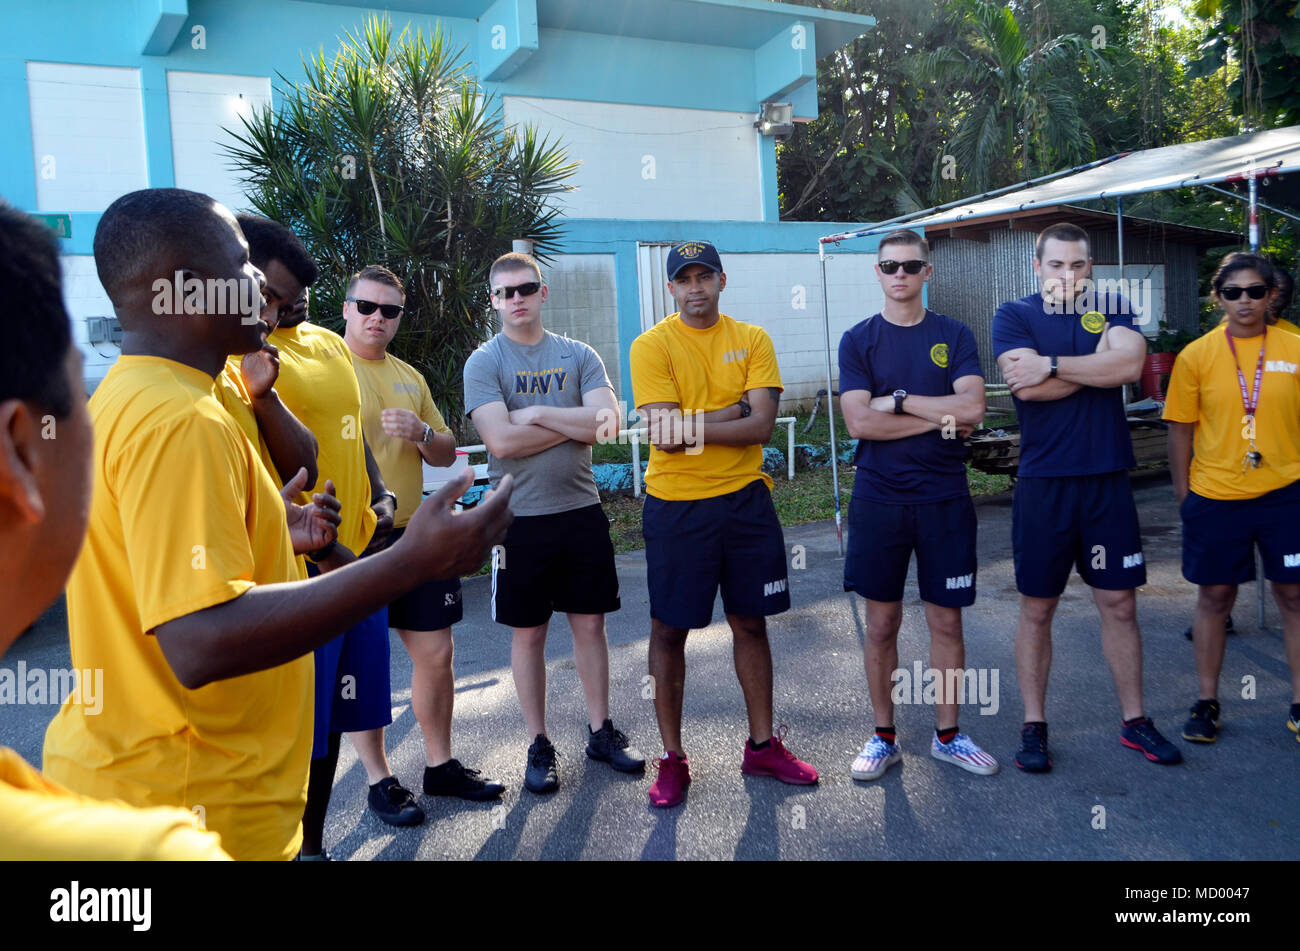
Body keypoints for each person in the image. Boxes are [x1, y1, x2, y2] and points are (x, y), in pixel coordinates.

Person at [40, 189, 513, 860]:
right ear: (184, 289)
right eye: (241, 263)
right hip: (189, 810)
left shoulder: (143, 394)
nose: (265, 283)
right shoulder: (183, 421)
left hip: (173, 795)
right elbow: (199, 639)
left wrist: (272, 532)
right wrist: (412, 560)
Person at [0, 200, 230, 859]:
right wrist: (405, 561)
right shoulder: (144, 856)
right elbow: (197, 637)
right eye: (81, 390)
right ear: (21, 443)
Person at [237, 215, 418, 854]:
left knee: (338, 715)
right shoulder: (237, 358)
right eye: (275, 294)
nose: (287, 306)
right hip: (297, 562)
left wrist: (380, 493)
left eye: (292, 296)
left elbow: (353, 430)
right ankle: (294, 845)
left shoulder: (328, 343)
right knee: (299, 722)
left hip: (354, 551)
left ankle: (314, 842)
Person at [630, 240, 817, 809]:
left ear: (721, 280)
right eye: (683, 279)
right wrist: (730, 411)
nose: (694, 288)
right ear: (671, 288)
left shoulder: (752, 339)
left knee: (751, 624)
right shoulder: (651, 346)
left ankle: (762, 746)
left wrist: (705, 421)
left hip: (744, 503)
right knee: (668, 631)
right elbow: (662, 434)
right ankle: (672, 759)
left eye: (704, 276)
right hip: (677, 505)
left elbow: (762, 427)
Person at [992, 221, 1182, 771]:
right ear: (1038, 266)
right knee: (1037, 608)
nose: (1067, 275)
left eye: (1078, 265)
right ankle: (1034, 727)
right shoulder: (1015, 316)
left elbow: (1128, 365)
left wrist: (1052, 364)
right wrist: (1096, 368)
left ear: (1090, 267)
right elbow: (1024, 387)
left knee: (1120, 603)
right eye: (1056, 265)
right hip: (1044, 484)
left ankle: (1135, 722)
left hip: (1105, 479)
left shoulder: (1112, 304)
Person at [464, 251, 644, 794]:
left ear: (543, 292)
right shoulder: (485, 362)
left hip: (580, 512)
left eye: (526, 288)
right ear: (494, 301)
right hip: (518, 521)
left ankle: (600, 731)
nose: (516, 299)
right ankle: (538, 743)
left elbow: (609, 423)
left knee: (590, 625)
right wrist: (577, 425)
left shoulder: (578, 354)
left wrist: (538, 413)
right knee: (530, 633)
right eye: (505, 292)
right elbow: (500, 441)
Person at [838, 229, 998, 781]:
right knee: (881, 623)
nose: (900, 274)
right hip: (879, 499)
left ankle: (949, 735)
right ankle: (884, 737)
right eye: (890, 267)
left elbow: (973, 411)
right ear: (877, 273)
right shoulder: (858, 340)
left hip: (944, 497)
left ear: (927, 272)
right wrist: (936, 413)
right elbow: (859, 421)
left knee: (947, 622)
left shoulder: (954, 334)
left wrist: (900, 401)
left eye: (910, 266)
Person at [344, 263, 503, 800]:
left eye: (389, 311)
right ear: (347, 309)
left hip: (414, 535)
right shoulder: (325, 367)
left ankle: (440, 766)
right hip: (352, 542)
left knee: (437, 654)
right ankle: (379, 778)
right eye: (366, 307)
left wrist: (422, 433)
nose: (377, 319)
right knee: (364, 663)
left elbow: (445, 449)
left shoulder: (408, 377)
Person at [1164, 252, 1300, 744]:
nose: (1246, 301)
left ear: (1271, 296)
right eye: (1234, 292)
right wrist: (1185, 497)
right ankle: (1207, 701)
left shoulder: (1295, 346)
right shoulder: (1197, 355)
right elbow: (1180, 429)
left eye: (1256, 291)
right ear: (1218, 298)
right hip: (1216, 497)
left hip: (1287, 494)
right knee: (1216, 598)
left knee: (1293, 595)